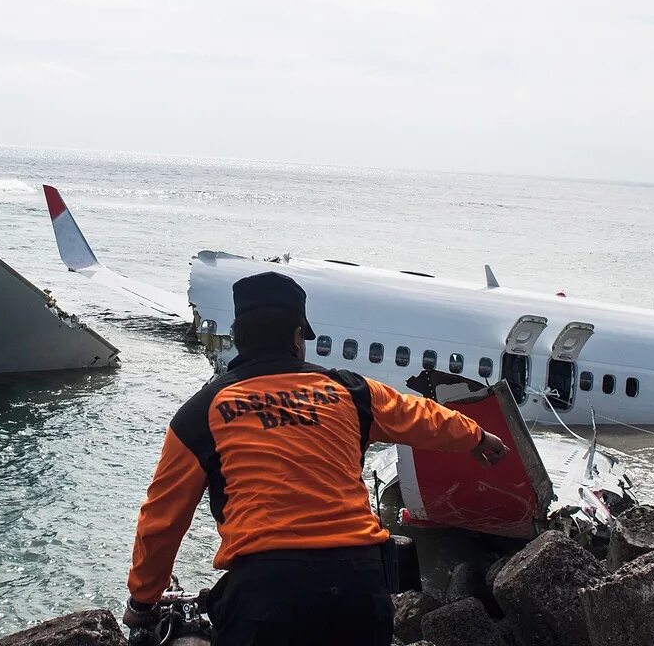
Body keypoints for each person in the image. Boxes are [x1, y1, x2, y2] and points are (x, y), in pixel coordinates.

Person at [122, 271, 509, 645]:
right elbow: (420, 416)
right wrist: (478, 437)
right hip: (360, 589)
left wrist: (143, 599)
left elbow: (162, 519)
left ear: (239, 336)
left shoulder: (201, 412)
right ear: (296, 338)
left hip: (266, 596)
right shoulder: (351, 391)